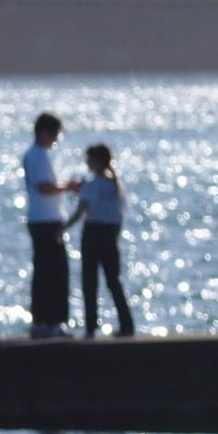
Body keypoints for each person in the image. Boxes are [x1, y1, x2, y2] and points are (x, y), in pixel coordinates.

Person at [20, 112, 78, 337]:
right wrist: (68, 187)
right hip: (46, 221)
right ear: (45, 133)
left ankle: (42, 321)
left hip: (42, 219)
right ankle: (52, 321)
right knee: (54, 272)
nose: (55, 140)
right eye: (55, 135)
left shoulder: (34, 155)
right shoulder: (38, 156)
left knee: (45, 271)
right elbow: (44, 187)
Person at [67, 142, 134, 337]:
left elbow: (80, 212)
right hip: (110, 234)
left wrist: (62, 229)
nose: (87, 163)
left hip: (93, 233)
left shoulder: (92, 184)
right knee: (114, 282)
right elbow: (119, 215)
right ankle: (127, 324)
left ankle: (90, 327)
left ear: (96, 161)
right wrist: (115, 238)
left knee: (90, 282)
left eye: (89, 159)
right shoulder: (115, 186)